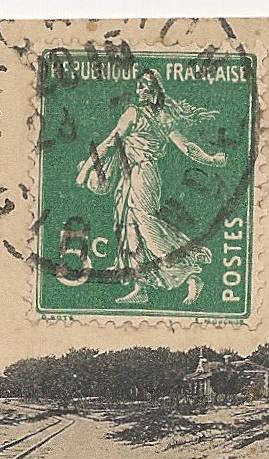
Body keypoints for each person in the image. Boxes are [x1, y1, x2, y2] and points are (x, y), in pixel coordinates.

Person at [77, 68, 226, 306]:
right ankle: (141, 287)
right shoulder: (152, 115)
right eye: (138, 86)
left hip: (143, 175)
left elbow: (112, 142)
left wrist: (86, 169)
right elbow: (116, 142)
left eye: (144, 86)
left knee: (146, 227)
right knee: (129, 230)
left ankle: (191, 273)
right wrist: (212, 159)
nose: (139, 91)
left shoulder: (142, 114)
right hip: (130, 175)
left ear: (155, 89)